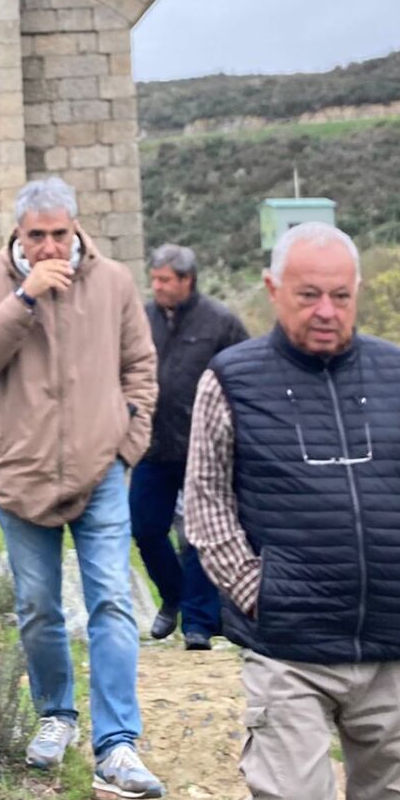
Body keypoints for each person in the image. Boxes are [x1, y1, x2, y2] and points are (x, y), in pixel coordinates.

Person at [183, 222, 400, 800]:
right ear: (273, 289)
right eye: (308, 294)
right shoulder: (231, 380)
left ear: (356, 292)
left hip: (393, 646)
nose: (326, 311)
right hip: (289, 651)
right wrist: (257, 591)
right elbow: (205, 502)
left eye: (340, 296)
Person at [0, 177, 165, 800]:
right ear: (18, 235)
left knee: (112, 602)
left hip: (100, 471)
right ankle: (56, 715)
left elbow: (141, 366)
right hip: (20, 475)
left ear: (75, 228)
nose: (49, 246)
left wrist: (127, 444)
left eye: (58, 233)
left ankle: (118, 743)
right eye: (36, 235)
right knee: (39, 606)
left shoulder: (113, 282)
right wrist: (24, 297)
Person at [136, 243, 248, 651]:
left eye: (165, 280)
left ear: (187, 280)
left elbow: (245, 376)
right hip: (151, 445)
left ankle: (199, 623)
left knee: (200, 534)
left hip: (205, 448)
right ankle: (174, 595)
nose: (157, 286)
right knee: (145, 527)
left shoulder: (221, 322)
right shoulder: (141, 319)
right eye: (154, 279)